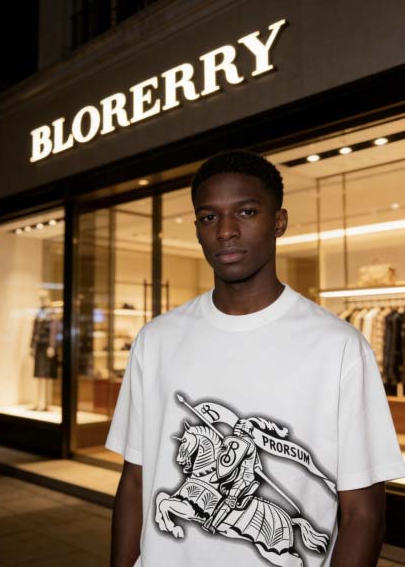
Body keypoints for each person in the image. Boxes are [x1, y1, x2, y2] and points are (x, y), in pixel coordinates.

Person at [106, 150, 405, 567]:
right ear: (197, 229)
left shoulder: (339, 348)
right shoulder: (155, 341)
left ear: (279, 221)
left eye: (246, 212)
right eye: (209, 217)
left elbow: (364, 515)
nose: (226, 230)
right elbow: (135, 482)